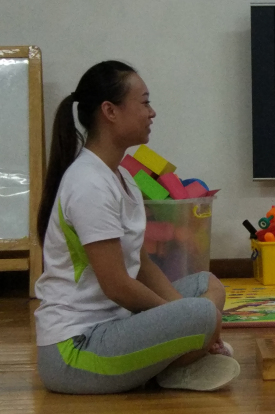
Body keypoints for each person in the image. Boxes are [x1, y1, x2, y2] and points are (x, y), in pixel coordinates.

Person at [35, 60, 240, 394]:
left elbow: (141, 264)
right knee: (203, 315)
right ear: (110, 111)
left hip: (115, 324)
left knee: (209, 285)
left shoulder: (121, 177)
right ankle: (177, 364)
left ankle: (175, 363)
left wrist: (181, 318)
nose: (152, 112)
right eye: (144, 102)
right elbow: (117, 286)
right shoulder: (88, 183)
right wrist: (183, 321)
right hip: (76, 350)